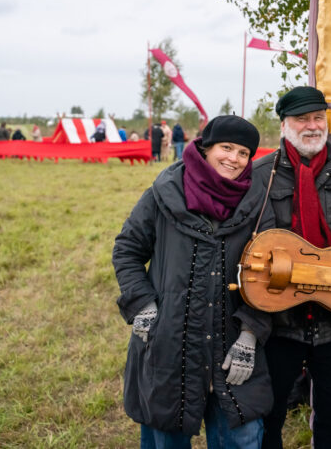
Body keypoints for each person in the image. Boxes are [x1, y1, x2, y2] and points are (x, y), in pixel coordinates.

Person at [113, 115, 274, 448]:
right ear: (205, 148)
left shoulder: (259, 204)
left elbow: (271, 276)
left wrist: (251, 333)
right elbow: (127, 249)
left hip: (231, 344)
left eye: (243, 153)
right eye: (226, 148)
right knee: (165, 436)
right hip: (170, 340)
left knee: (242, 439)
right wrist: (142, 304)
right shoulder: (164, 192)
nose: (234, 158)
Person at [254, 86, 331, 449]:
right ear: (283, 126)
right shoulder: (261, 176)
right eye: (302, 119)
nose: (312, 126)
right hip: (278, 322)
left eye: (318, 118)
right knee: (269, 416)